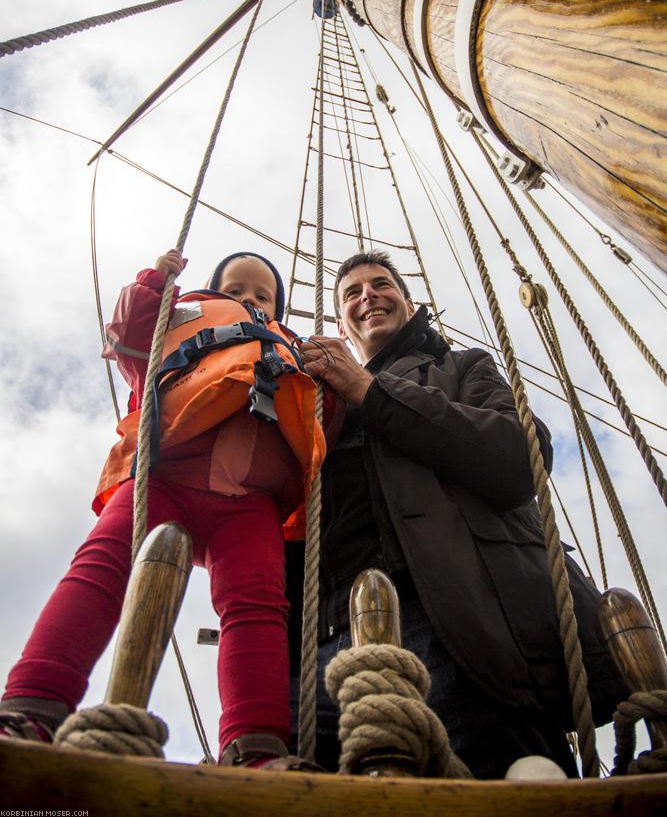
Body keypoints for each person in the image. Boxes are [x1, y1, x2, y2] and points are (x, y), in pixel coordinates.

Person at [289, 250, 627, 778]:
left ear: (408, 300)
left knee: (504, 779)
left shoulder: (460, 368)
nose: (367, 296)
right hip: (326, 649)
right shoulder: (313, 405)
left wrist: (369, 391)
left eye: (381, 285)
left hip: (458, 622)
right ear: (340, 324)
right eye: (352, 293)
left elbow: (519, 458)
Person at [1, 249, 328, 771]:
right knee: (100, 570)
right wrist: (158, 281)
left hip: (251, 502)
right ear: (211, 289)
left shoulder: (290, 348)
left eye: (261, 296)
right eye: (235, 288)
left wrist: (324, 369)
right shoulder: (183, 316)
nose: (247, 299)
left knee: (258, 608)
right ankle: (30, 705)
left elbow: (318, 415)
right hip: (165, 475)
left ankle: (257, 747)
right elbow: (130, 333)